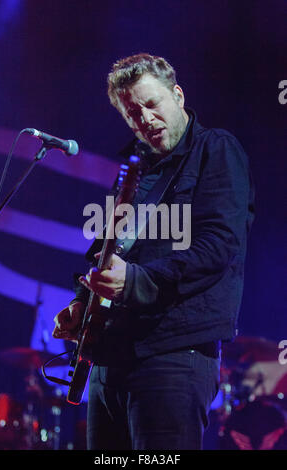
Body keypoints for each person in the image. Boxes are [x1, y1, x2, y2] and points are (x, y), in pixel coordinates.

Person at [52, 53, 255, 450]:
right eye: (132, 112)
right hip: (109, 358)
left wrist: (135, 281)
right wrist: (82, 303)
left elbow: (219, 245)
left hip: (173, 355)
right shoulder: (134, 168)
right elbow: (108, 248)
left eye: (151, 104)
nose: (144, 118)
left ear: (177, 96)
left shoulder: (217, 149)